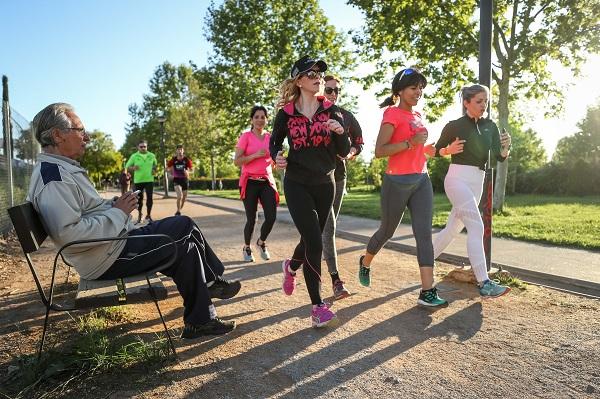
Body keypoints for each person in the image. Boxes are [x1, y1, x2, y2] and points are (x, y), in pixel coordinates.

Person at [27, 103, 241, 338]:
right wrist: (119, 212)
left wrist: (113, 205)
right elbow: (70, 236)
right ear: (58, 135)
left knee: (186, 248)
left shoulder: (60, 170)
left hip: (110, 246)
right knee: (184, 225)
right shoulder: (54, 178)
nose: (86, 137)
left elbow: (84, 213)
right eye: (80, 130)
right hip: (106, 256)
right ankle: (212, 283)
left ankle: (201, 320)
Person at [357, 68, 448, 307]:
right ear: (400, 91)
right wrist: (410, 142)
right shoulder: (392, 114)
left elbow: (422, 148)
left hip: (421, 179)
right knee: (387, 231)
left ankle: (427, 291)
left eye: (420, 88)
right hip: (396, 182)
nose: (418, 92)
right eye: (413, 87)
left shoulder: (418, 114)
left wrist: (436, 149)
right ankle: (365, 262)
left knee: (423, 235)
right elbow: (380, 151)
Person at [270, 56, 350, 327]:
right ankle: (317, 307)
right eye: (311, 73)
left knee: (310, 238)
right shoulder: (286, 113)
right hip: (297, 183)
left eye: (319, 73)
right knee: (315, 241)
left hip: (326, 183)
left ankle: (291, 266)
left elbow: (342, 150)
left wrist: (339, 132)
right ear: (299, 80)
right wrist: (278, 156)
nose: (318, 76)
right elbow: (274, 143)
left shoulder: (331, 110)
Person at [433, 84, 512, 298]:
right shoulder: (454, 126)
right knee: (477, 227)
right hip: (457, 179)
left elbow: (498, 156)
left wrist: (505, 148)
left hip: (477, 181)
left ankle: (426, 260)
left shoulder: (491, 126)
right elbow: (434, 150)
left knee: (453, 228)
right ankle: (484, 282)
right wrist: (447, 150)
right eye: (479, 101)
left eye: (485, 101)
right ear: (466, 103)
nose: (484, 105)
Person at [321, 75, 364, 300]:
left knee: (327, 228)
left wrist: (350, 153)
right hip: (316, 179)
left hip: (339, 177)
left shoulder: (346, 116)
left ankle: (297, 261)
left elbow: (359, 142)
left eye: (336, 90)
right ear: (321, 90)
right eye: (329, 90)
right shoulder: (312, 114)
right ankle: (336, 280)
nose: (333, 94)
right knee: (328, 229)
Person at [234, 106, 279, 262]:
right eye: (257, 117)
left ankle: (261, 242)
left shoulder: (270, 137)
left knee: (272, 217)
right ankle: (247, 247)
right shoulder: (245, 137)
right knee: (252, 219)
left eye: (263, 117)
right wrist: (254, 156)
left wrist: (277, 161)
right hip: (250, 182)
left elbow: (275, 158)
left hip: (266, 181)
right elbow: (237, 161)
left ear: (266, 120)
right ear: (251, 120)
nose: (260, 120)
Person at [125, 140, 157, 224]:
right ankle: (140, 214)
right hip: (138, 181)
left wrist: (154, 169)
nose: (143, 148)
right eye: (141, 147)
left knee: (149, 198)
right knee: (139, 199)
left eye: (145, 146)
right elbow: (127, 166)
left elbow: (155, 165)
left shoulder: (152, 155)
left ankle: (149, 215)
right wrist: (133, 168)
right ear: (138, 147)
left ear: (147, 147)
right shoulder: (134, 156)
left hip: (149, 180)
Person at [167, 145, 193, 216]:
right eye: (178, 150)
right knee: (179, 196)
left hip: (185, 179)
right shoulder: (173, 160)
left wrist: (188, 172)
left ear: (183, 151)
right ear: (176, 151)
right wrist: (169, 174)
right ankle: (178, 211)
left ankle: (179, 209)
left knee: (184, 197)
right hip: (177, 179)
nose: (180, 151)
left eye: (181, 149)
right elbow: (168, 169)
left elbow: (192, 170)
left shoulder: (186, 160)